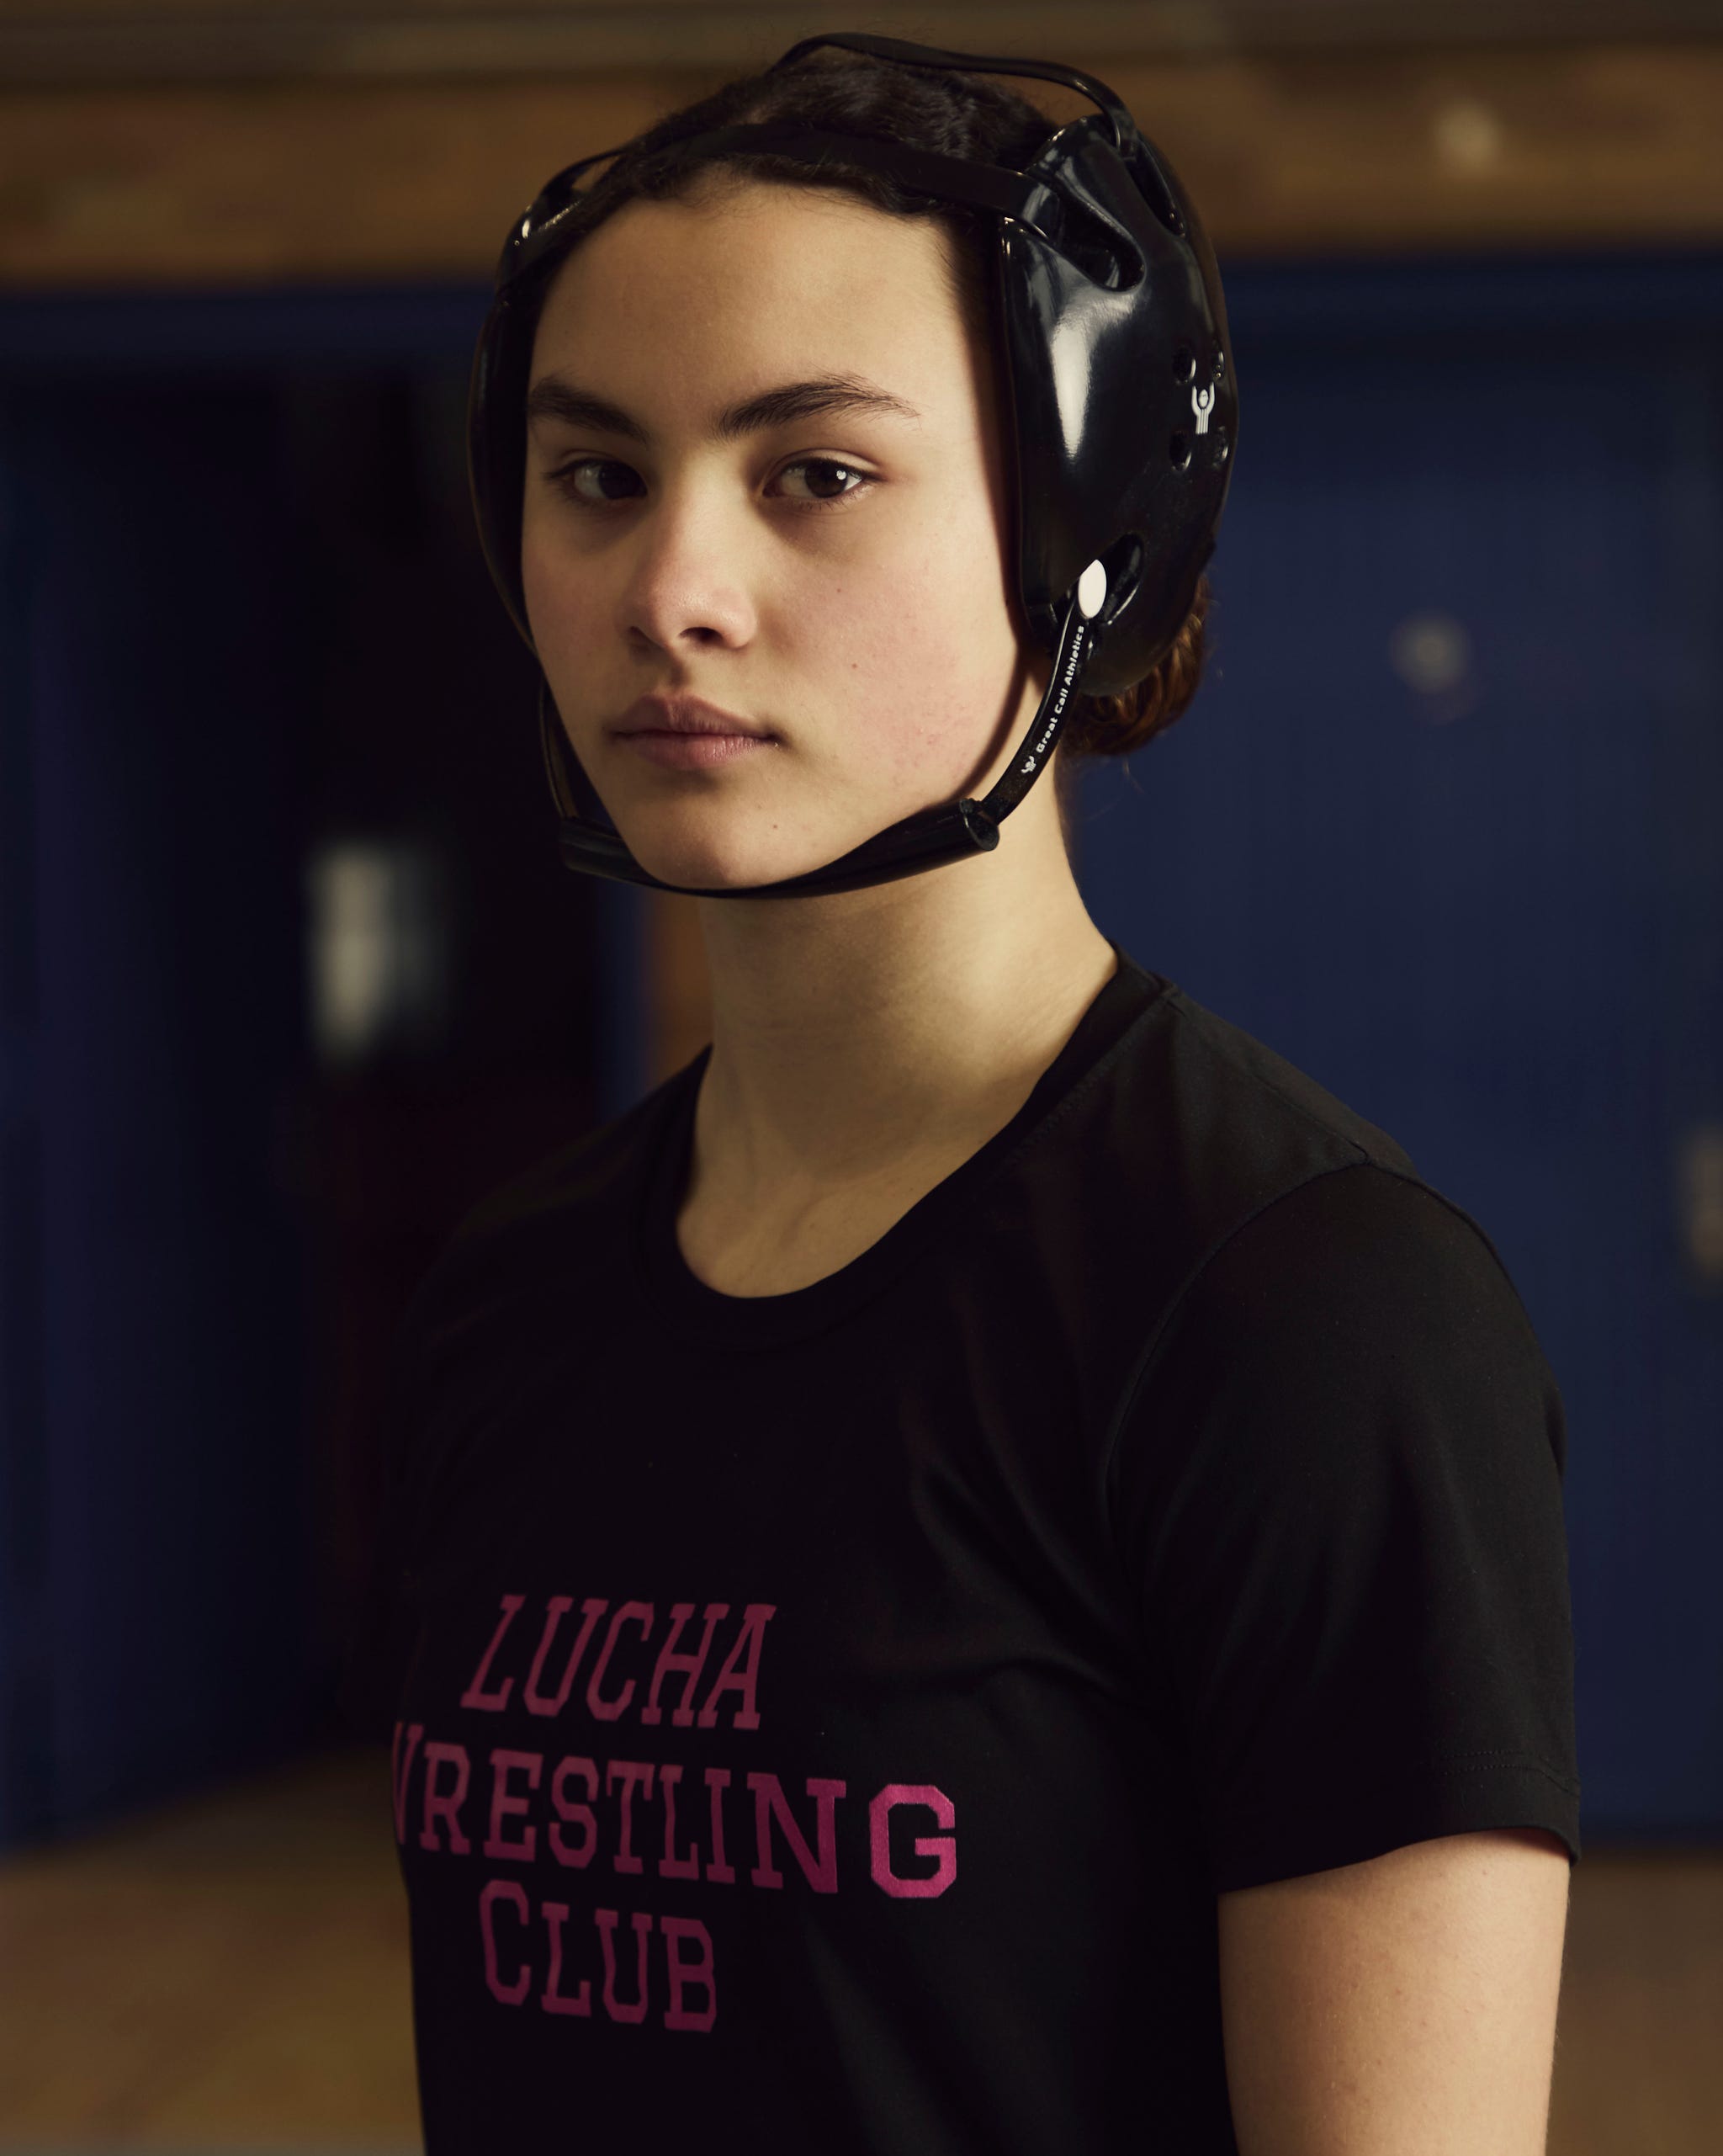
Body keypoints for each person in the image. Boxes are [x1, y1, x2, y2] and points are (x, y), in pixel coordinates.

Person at [345, 39, 1579, 2154]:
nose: (672, 594)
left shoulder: (1301, 1312)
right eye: (598, 474)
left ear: (1086, 533)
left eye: (812, 473)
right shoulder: (510, 1303)